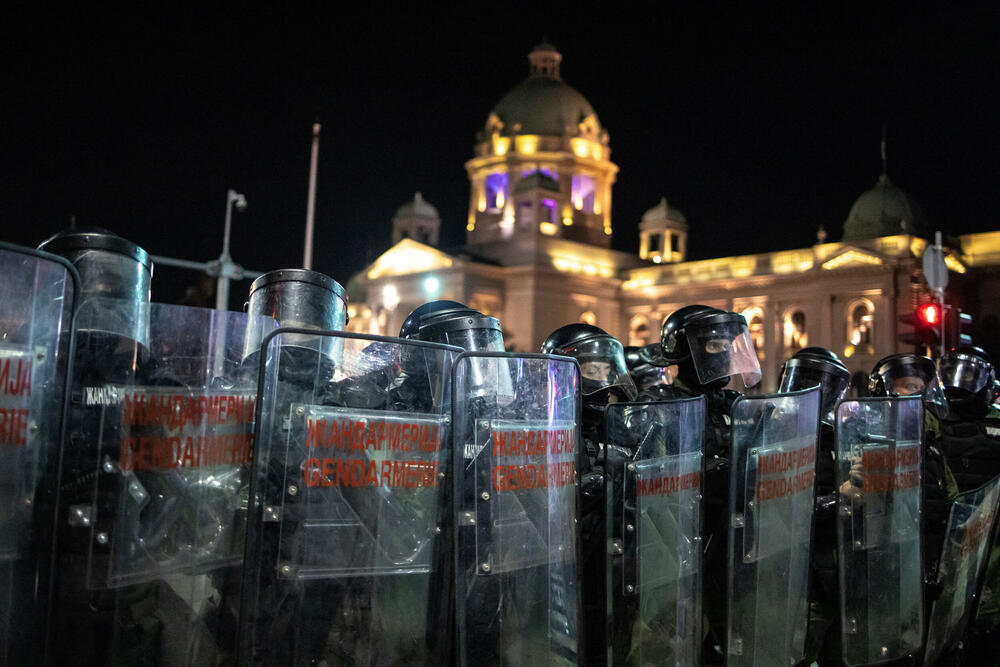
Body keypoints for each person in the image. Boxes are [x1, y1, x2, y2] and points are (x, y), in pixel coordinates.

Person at [645, 305, 761, 662]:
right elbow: (652, 492)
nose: (725, 353)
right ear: (685, 350)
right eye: (713, 346)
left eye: (729, 344)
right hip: (679, 555)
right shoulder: (658, 407)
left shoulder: (735, 405)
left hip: (734, 547)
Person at [541, 324, 637, 666]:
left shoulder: (620, 427)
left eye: (606, 369)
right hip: (561, 568)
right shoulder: (544, 430)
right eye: (591, 371)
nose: (603, 380)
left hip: (612, 564)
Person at [867, 353, 959, 620]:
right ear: (884, 391)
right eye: (909, 387)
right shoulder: (866, 439)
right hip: (885, 570)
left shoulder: (930, 443)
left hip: (928, 562)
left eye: (920, 389)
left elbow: (952, 498)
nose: (917, 395)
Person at [776, 347, 850, 666]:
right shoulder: (769, 435)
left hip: (835, 578)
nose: (812, 393)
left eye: (822, 385)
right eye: (804, 382)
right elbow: (775, 512)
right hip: (787, 581)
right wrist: (840, 499)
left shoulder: (839, 438)